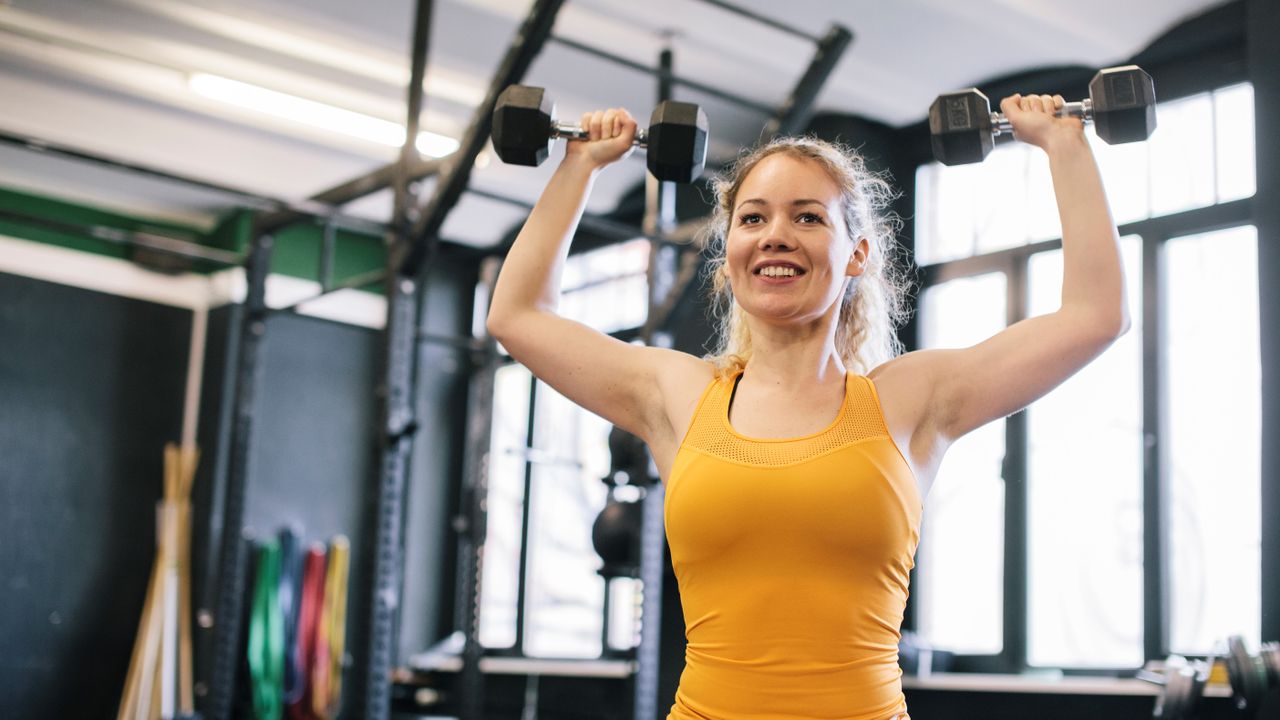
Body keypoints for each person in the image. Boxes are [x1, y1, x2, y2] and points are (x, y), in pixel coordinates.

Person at [486, 93, 1130, 720]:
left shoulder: (910, 402)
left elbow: (1094, 316)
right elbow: (518, 316)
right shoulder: (678, 397)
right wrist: (581, 165)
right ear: (729, 254)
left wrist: (1064, 144)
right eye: (753, 218)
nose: (775, 237)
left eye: (808, 217)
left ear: (857, 254)